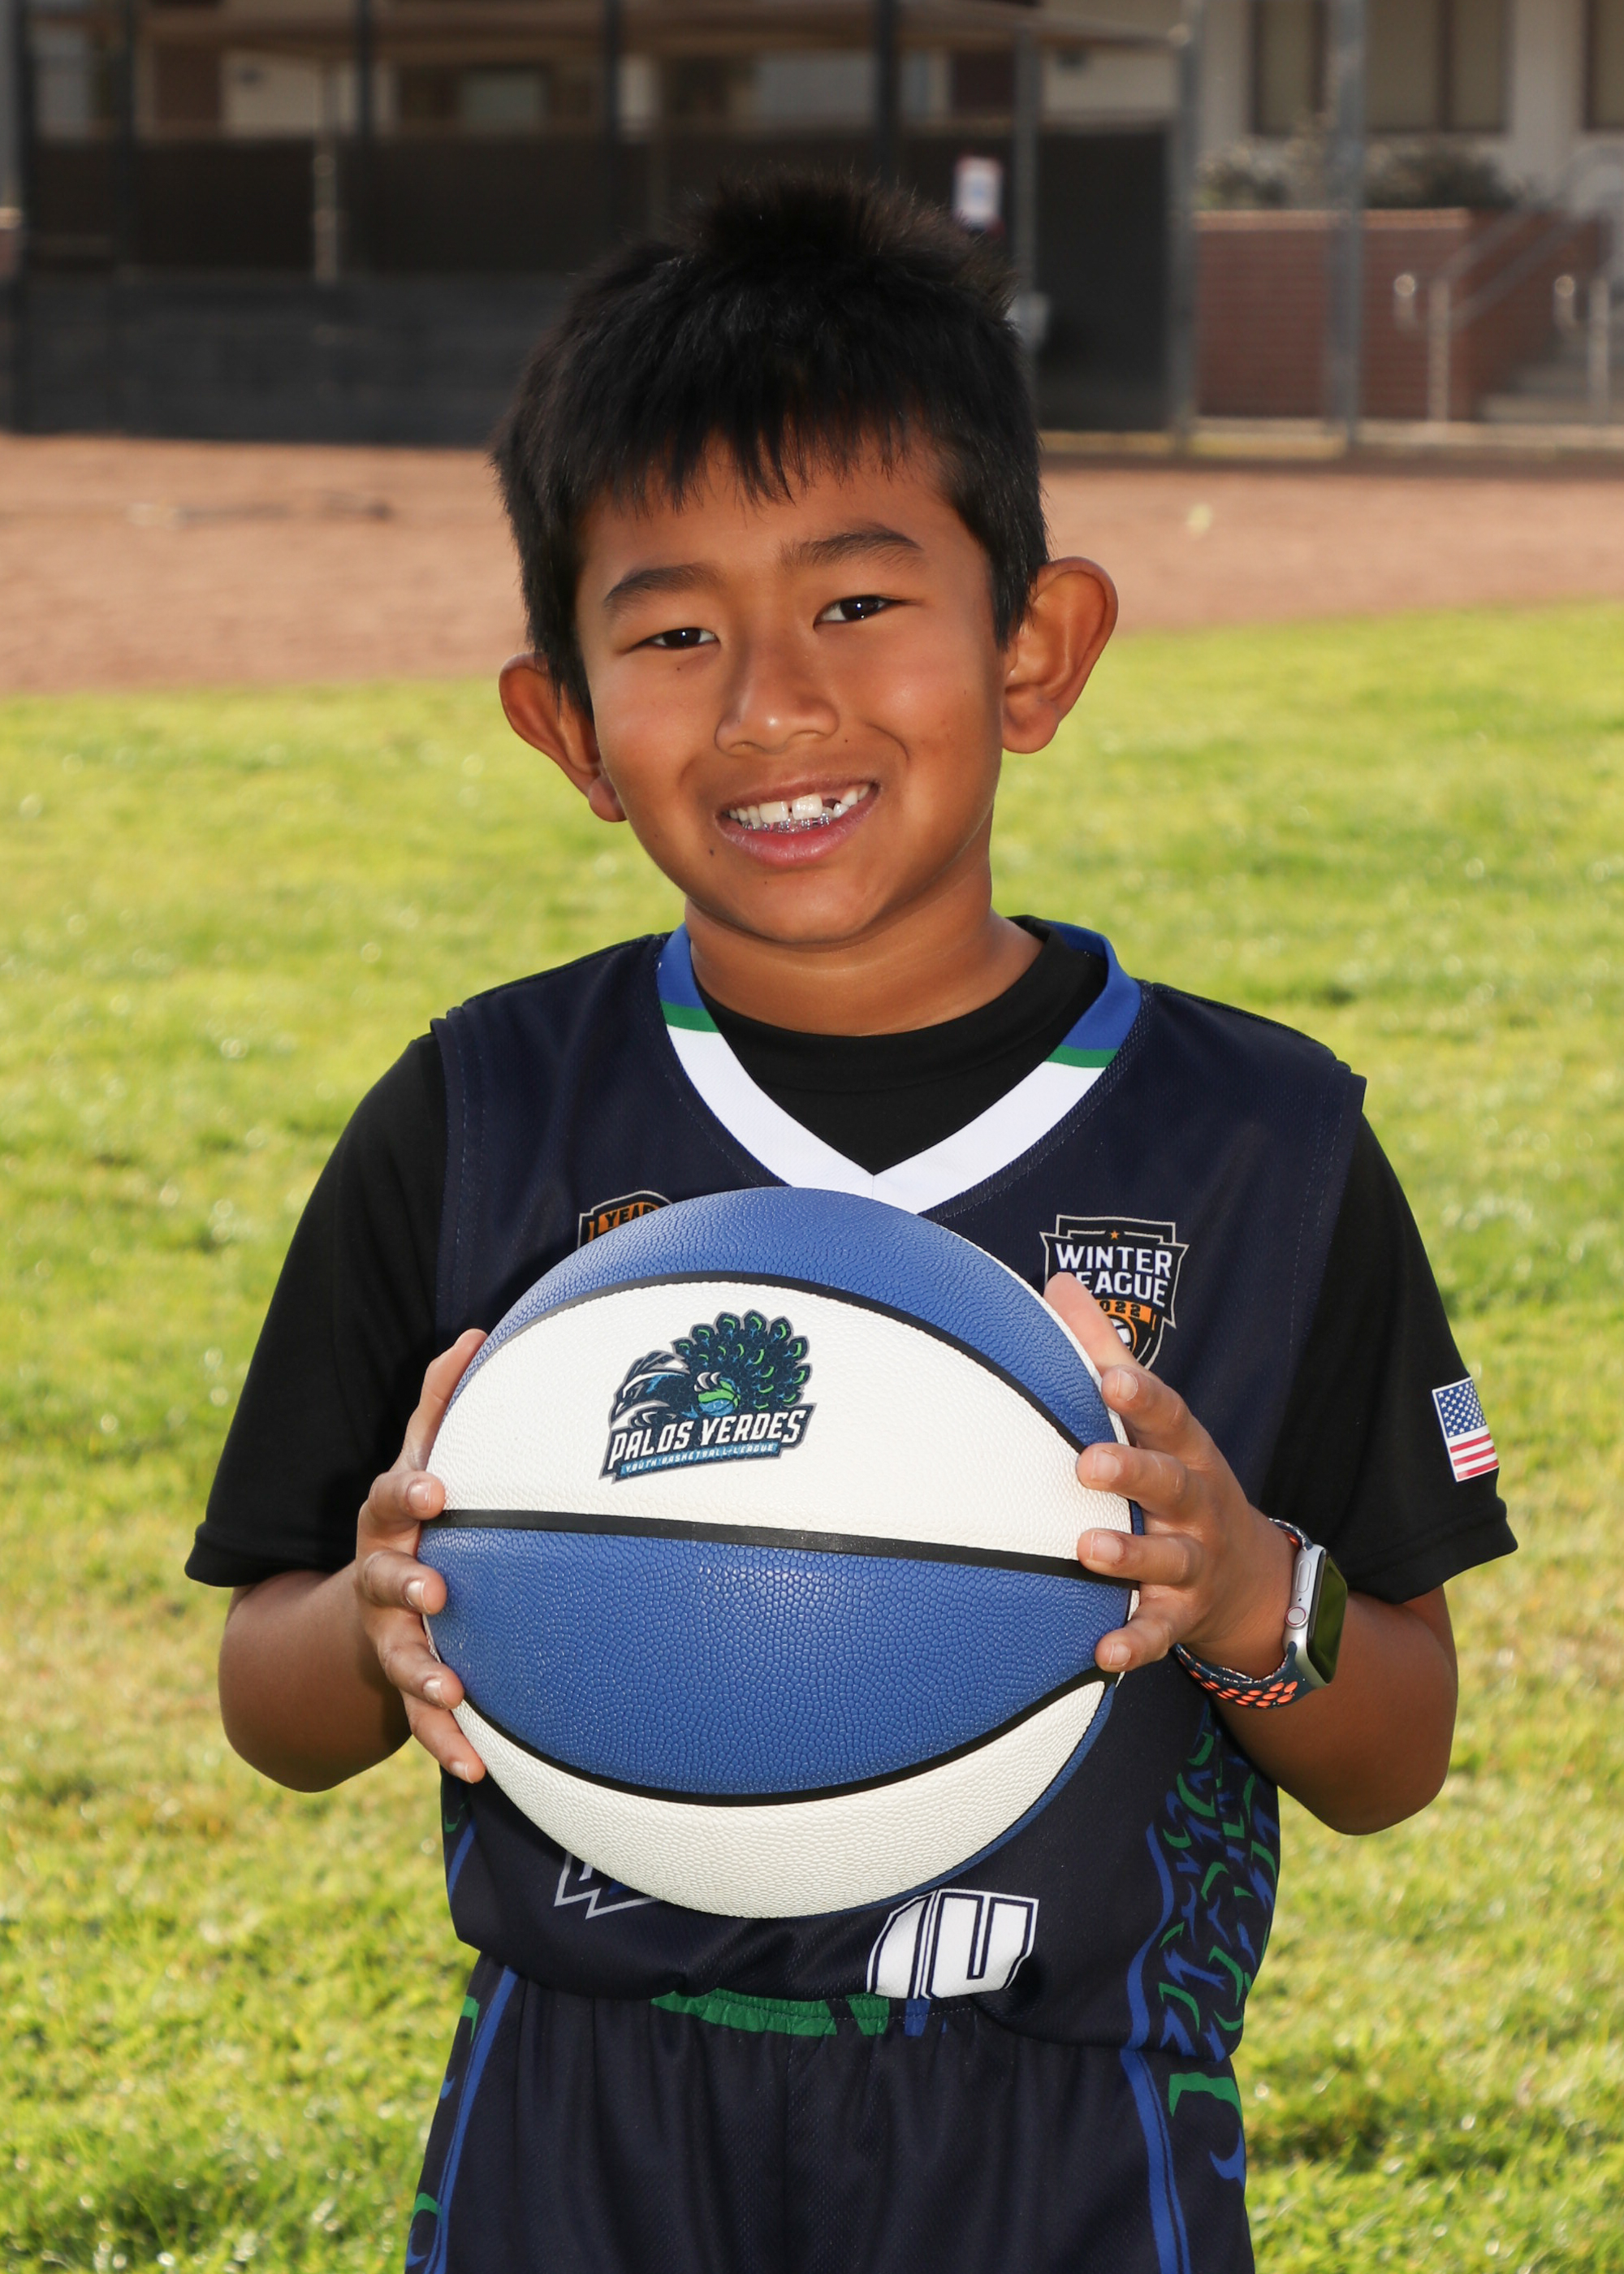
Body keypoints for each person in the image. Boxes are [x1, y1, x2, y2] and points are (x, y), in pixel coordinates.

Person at [190, 177, 1513, 2272]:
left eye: (860, 601)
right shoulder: (478, 1115)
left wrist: (1249, 1590)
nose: (772, 703)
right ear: (568, 725)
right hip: (579, 2115)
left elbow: (1397, 1748)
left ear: (1035, 649)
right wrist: (376, 1623)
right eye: (674, 633)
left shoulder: (1263, 1144)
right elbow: (268, 1695)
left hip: (1063, 2128)